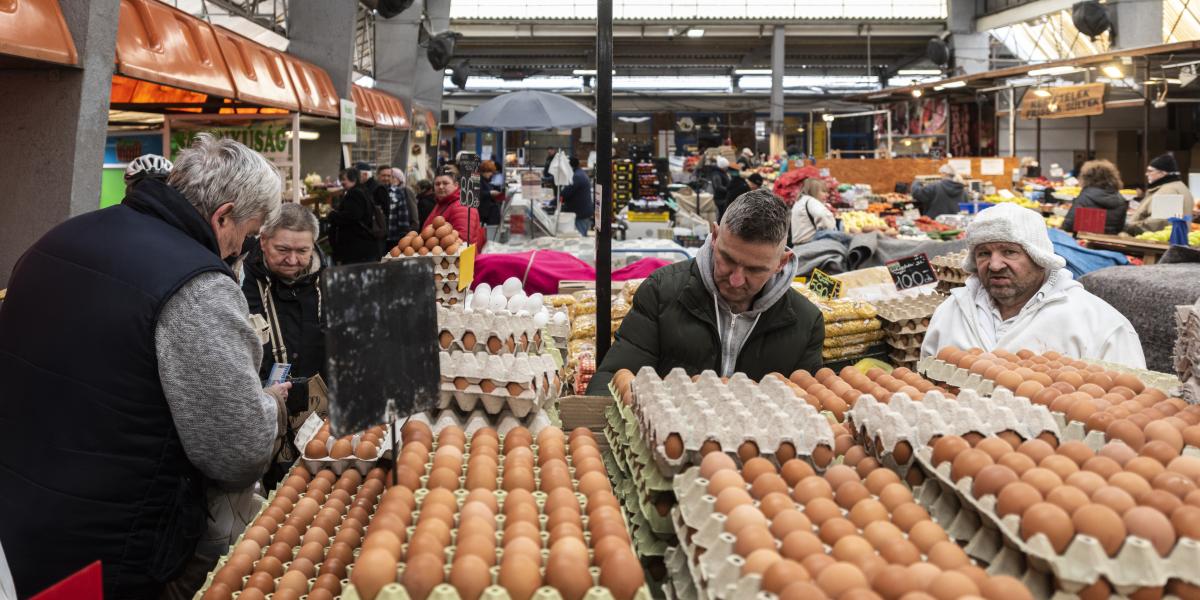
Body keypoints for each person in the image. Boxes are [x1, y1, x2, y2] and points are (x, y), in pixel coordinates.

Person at [0, 134, 286, 598]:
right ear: (222, 216)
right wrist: (268, 407)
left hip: (18, 521)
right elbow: (235, 451)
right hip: (114, 545)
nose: (243, 249)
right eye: (247, 234)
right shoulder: (197, 285)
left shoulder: (61, 236)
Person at [587, 189, 824, 393]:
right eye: (727, 259)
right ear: (715, 236)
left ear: (781, 262)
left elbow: (811, 402)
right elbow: (612, 378)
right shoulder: (663, 292)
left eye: (754, 269)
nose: (736, 279)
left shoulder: (805, 322)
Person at [921, 203, 1145, 367]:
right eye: (984, 253)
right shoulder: (951, 312)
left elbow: (1130, 406)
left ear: (1039, 257)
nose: (995, 265)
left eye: (1009, 251)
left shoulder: (1099, 324)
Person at [241, 203, 327, 487]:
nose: (292, 260)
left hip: (320, 410)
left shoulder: (326, 281)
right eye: (283, 250)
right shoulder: (241, 281)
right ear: (263, 241)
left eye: (302, 251)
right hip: (266, 409)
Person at [1126, 153, 1194, 234]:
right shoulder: (1178, 186)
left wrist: (1130, 228)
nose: (1146, 174)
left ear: (1163, 173)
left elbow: (1160, 222)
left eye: (1150, 171)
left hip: (1158, 242)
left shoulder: (1168, 191)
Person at [424, 167, 486, 250]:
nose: (441, 187)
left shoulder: (463, 206)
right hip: (442, 258)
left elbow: (462, 240)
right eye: (437, 184)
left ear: (456, 185)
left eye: (445, 183)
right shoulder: (442, 202)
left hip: (458, 260)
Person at [329, 167, 382, 264]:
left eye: (343, 179)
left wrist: (332, 215)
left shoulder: (354, 193)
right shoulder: (363, 190)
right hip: (364, 246)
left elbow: (352, 216)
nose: (341, 182)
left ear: (353, 179)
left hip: (357, 248)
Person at [1062, 159, 1128, 235]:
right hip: (1109, 243)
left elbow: (1068, 226)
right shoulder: (1121, 200)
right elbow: (1120, 228)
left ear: (1087, 177)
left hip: (1083, 243)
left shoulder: (1085, 197)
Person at [376, 166, 419, 250]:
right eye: (383, 175)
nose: (386, 178)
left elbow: (403, 216)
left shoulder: (398, 192)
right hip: (377, 238)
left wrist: (404, 236)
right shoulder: (373, 192)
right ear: (378, 176)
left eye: (389, 176)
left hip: (393, 237)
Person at [790, 177, 837, 245]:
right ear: (814, 191)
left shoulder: (799, 202)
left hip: (799, 246)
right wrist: (828, 230)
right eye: (823, 191)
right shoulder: (812, 201)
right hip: (811, 245)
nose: (827, 195)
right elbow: (822, 215)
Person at [559, 156, 594, 236]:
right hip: (583, 211)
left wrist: (555, 201)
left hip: (580, 213)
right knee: (583, 235)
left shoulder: (576, 177)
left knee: (581, 237)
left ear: (570, 166)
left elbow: (565, 193)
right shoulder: (579, 173)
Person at [478, 160, 504, 238]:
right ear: (484, 171)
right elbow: (479, 193)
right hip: (486, 211)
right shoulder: (479, 180)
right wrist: (490, 193)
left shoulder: (485, 180)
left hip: (488, 210)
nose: (491, 174)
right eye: (490, 172)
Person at [708, 156, 732, 221]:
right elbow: (718, 187)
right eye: (726, 167)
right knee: (722, 215)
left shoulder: (721, 172)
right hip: (720, 199)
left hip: (723, 197)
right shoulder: (716, 174)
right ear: (722, 167)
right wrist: (729, 190)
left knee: (724, 214)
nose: (727, 168)